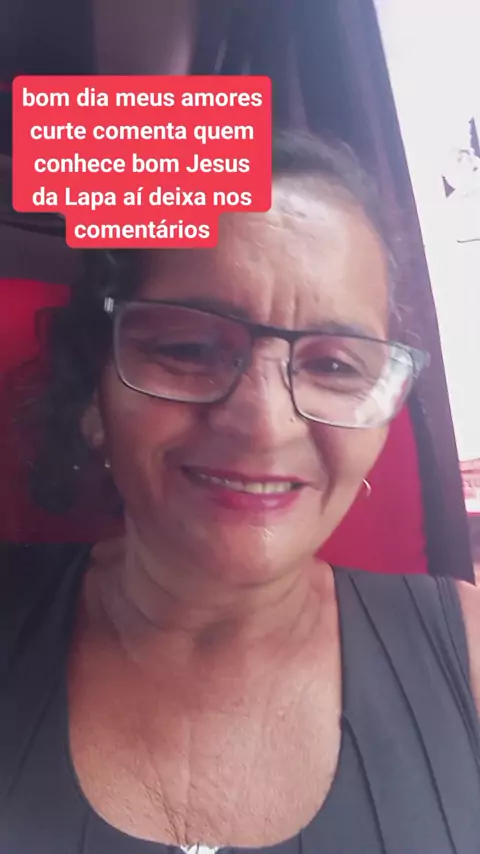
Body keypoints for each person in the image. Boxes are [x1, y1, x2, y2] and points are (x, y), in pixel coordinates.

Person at [2, 132, 480, 854]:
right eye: (188, 349)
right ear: (95, 398)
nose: (264, 424)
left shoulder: (469, 653)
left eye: (335, 366)